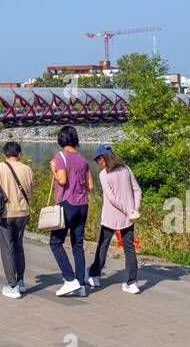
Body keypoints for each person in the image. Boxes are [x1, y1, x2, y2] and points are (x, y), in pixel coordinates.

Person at [87, 146, 143, 294]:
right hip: (128, 218)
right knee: (129, 248)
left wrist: (128, 210)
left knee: (103, 246)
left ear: (104, 157)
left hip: (111, 217)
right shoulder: (126, 169)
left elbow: (112, 198)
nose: (99, 162)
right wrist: (134, 209)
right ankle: (132, 283)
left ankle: (94, 275)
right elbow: (137, 190)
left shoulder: (104, 174)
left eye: (99, 159)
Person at [48, 125, 93, 297]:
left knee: (55, 242)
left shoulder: (60, 156)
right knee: (77, 245)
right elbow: (90, 186)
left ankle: (69, 279)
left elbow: (62, 180)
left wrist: (53, 167)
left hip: (67, 204)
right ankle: (81, 285)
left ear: (61, 139)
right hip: (83, 205)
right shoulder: (83, 159)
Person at [0, 141, 35, 299]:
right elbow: (31, 189)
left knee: (7, 248)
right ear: (19, 154)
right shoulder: (27, 169)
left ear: (5, 154)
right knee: (19, 246)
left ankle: (12, 285)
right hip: (23, 213)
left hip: (6, 214)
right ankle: (21, 281)